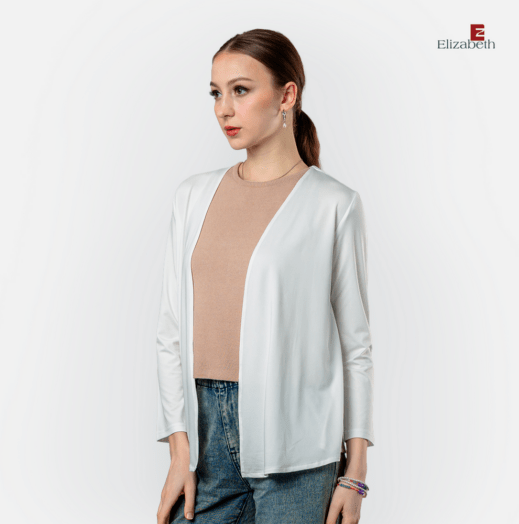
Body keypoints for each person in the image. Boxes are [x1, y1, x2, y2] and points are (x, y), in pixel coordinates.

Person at [155, 28, 374, 524]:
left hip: (300, 451)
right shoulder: (192, 197)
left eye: (240, 90)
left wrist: (355, 473)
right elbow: (171, 332)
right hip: (204, 445)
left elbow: (355, 346)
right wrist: (178, 452)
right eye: (216, 93)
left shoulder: (333, 204)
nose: (224, 109)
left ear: (286, 96)